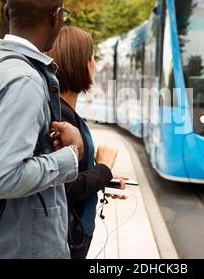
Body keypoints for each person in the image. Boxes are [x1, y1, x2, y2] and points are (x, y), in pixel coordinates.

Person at [0, 0, 84, 259]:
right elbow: (1, 178)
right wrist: (71, 153)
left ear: (7, 12)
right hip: (21, 247)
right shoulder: (23, 80)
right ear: (56, 16)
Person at [47, 26, 127, 259]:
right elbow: (65, 189)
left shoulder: (62, 112)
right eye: (92, 57)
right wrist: (103, 169)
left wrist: (104, 179)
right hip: (67, 238)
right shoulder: (61, 119)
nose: (94, 63)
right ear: (81, 63)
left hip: (70, 233)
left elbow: (69, 175)